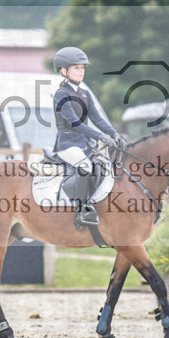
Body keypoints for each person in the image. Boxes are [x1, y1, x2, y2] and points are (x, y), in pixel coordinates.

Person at [52, 46, 126, 227]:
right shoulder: (61, 94)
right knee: (85, 166)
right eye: (76, 68)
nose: (81, 71)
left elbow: (97, 119)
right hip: (67, 144)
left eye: (82, 68)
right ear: (64, 71)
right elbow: (76, 123)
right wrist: (101, 136)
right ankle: (81, 210)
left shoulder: (84, 93)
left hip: (84, 144)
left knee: (104, 166)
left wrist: (114, 134)